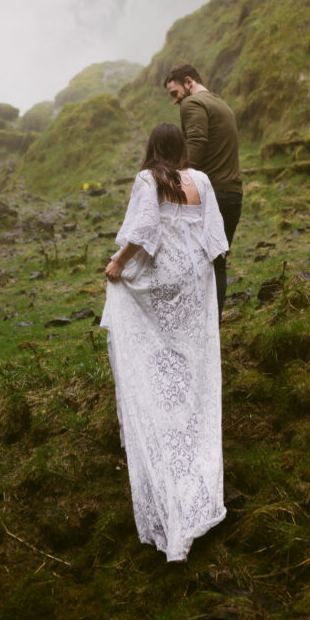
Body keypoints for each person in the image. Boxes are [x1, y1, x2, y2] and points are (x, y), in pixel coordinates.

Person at [101, 122, 228, 562]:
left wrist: (117, 264)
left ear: (153, 148)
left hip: (164, 281)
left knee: (157, 347)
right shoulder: (204, 181)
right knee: (192, 356)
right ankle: (192, 435)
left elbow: (145, 234)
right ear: (181, 149)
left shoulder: (148, 179)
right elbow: (215, 240)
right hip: (196, 281)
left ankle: (163, 416)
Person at [163, 64, 242, 319]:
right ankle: (211, 335)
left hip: (211, 197)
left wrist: (174, 180)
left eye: (175, 93)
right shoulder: (222, 105)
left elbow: (197, 142)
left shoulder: (193, 104)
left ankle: (198, 333)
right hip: (233, 195)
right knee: (218, 264)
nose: (175, 101)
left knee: (194, 264)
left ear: (188, 81)